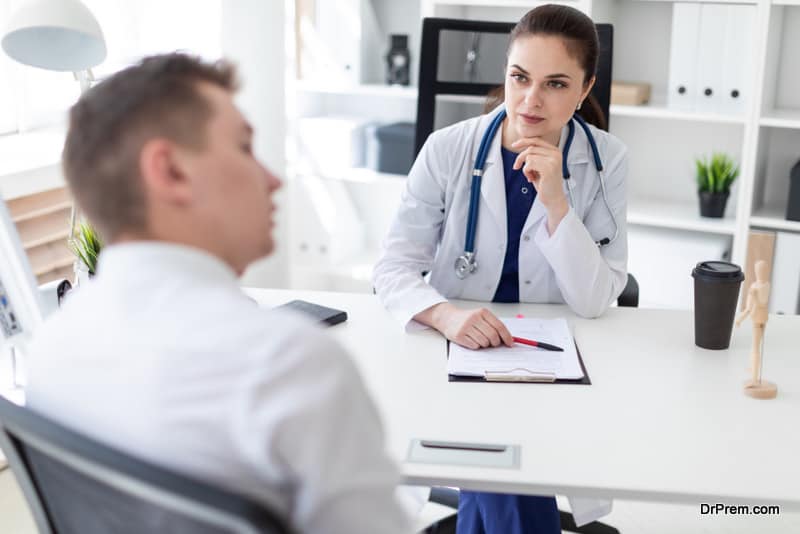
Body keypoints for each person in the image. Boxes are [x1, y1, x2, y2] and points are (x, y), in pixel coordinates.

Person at [26, 53, 412, 534]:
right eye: (245, 147)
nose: (272, 179)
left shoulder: (51, 347)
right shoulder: (285, 365)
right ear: (170, 172)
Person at [373, 4, 628, 533]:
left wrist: (558, 202)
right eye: (519, 77)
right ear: (505, 75)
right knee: (501, 468)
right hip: (462, 352)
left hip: (554, 360)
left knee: (493, 469)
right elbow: (394, 267)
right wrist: (446, 317)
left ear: (585, 90)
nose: (531, 101)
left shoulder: (607, 161)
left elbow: (594, 299)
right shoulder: (448, 150)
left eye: (556, 84)